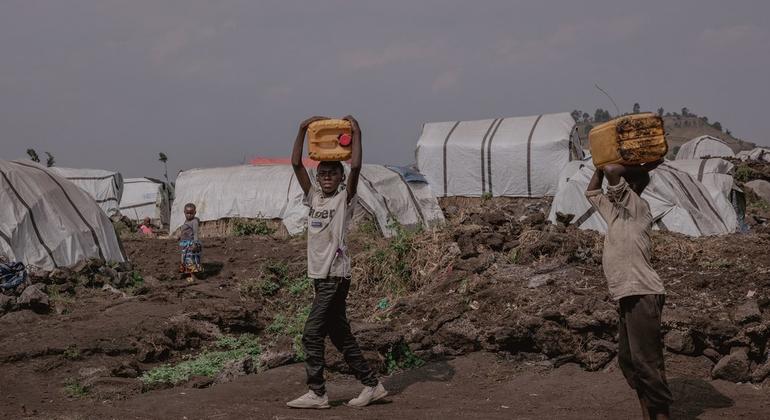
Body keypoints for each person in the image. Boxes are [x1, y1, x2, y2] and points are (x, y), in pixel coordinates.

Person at [286, 115, 387, 409]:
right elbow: (296, 164)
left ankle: (317, 392)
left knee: (311, 333)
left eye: (333, 173)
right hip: (319, 276)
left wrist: (357, 132)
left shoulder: (345, 199)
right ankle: (372, 385)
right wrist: (302, 128)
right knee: (339, 334)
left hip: (335, 274)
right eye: (323, 173)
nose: (327, 176)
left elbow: (355, 165)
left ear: (340, 178)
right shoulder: (314, 197)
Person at [585, 160, 672, 420]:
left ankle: (662, 416)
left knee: (646, 362)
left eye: (619, 186)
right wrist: (598, 166)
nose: (612, 189)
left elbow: (613, 172)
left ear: (630, 186)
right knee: (630, 361)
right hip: (627, 294)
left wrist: (611, 165)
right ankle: (648, 414)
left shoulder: (637, 206)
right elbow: (592, 193)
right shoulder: (615, 212)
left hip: (643, 292)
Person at [178, 203, 202, 277]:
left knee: (190, 260)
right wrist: (180, 236)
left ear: (195, 212)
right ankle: (186, 273)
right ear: (184, 212)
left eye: (191, 213)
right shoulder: (186, 221)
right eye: (187, 213)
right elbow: (185, 231)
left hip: (191, 244)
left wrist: (195, 243)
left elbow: (195, 233)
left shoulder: (194, 222)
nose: (189, 215)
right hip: (185, 244)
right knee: (184, 259)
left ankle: (193, 276)